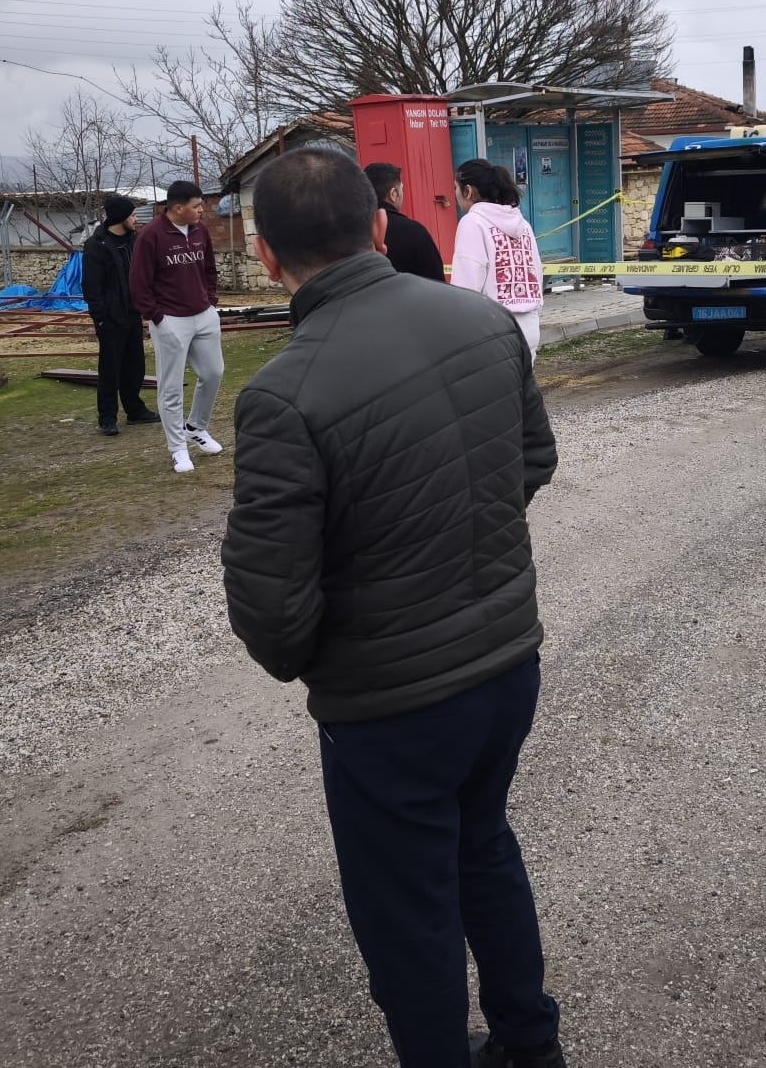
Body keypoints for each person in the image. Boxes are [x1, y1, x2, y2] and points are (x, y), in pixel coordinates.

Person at [220, 148, 565, 1068]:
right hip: (505, 658)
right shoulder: (483, 322)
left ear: (265, 256)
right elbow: (532, 463)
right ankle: (532, 1045)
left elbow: (272, 612)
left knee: (405, 909)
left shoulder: (284, 393)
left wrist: (344, 638)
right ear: (379, 226)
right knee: (482, 848)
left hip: (393, 702)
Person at [130, 179, 225, 474]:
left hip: (203, 314)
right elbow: (138, 282)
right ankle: (178, 449)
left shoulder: (200, 231)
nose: (201, 211)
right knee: (170, 387)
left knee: (213, 373)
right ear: (178, 208)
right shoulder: (151, 236)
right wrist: (156, 317)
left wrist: (211, 301)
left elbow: (209, 268)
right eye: (197, 206)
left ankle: (195, 428)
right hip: (170, 319)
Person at [81, 194, 160, 436]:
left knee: (134, 366)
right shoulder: (97, 245)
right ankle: (107, 417)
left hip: (133, 313)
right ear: (121, 217)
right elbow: (91, 287)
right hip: (110, 318)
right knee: (110, 369)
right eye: (133, 215)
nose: (136, 219)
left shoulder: (134, 241)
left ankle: (135, 410)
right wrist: (101, 317)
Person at [451, 158, 544, 360]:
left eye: (456, 188)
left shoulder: (472, 223)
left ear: (469, 191)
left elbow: (466, 287)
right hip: (529, 327)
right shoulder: (523, 225)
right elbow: (536, 272)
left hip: (493, 332)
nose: (455, 195)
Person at [365, 161, 447, 282]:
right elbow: (438, 285)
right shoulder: (415, 233)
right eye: (402, 189)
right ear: (393, 194)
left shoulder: (351, 233)